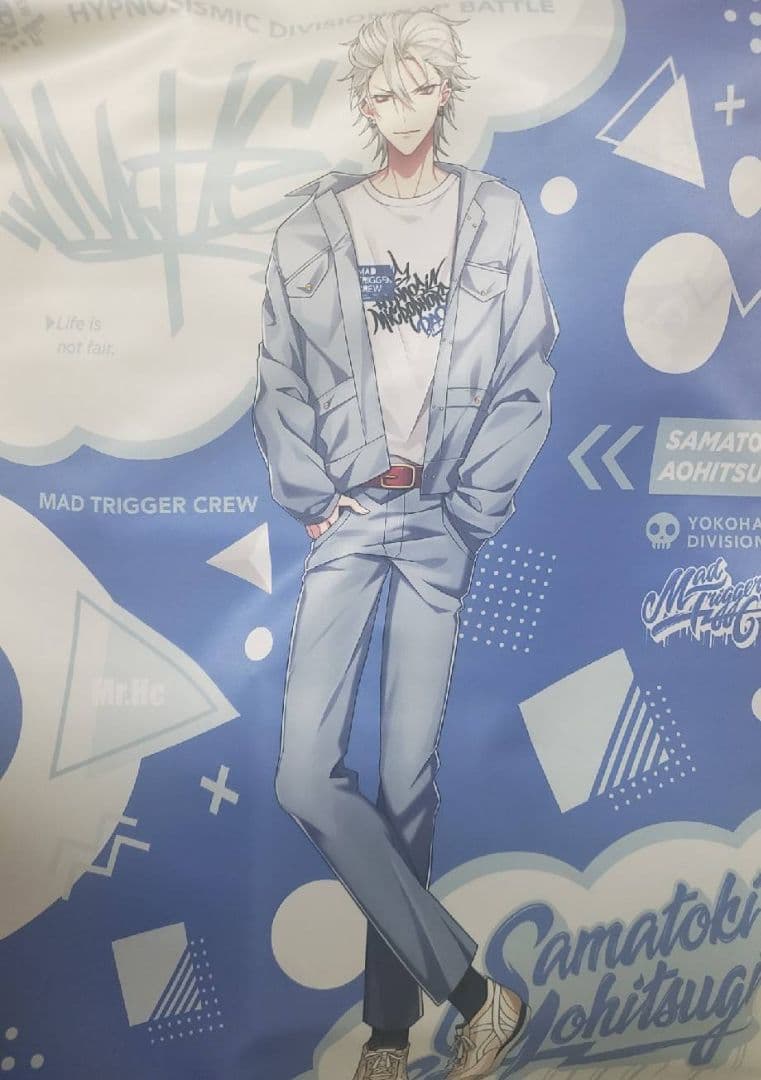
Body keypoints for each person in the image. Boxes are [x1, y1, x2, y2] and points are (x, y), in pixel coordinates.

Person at [252, 8, 559, 1078]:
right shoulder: (314, 227)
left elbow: (527, 367)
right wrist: (311, 495)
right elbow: (276, 376)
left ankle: (388, 1038)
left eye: (417, 89)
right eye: (380, 94)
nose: (400, 111)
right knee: (305, 777)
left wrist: (472, 510)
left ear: (444, 91)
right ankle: (478, 995)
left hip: (439, 517)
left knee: (402, 787)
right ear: (363, 103)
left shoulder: (494, 215)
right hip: (348, 513)